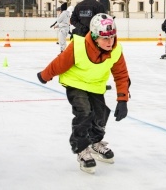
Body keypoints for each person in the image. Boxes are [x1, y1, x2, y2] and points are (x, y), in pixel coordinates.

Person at [37, 13, 130, 174]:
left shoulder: (116, 50)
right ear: (95, 37)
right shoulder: (78, 46)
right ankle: (81, 148)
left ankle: (95, 142)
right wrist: (45, 75)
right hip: (75, 83)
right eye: (105, 38)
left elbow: (121, 75)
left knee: (101, 115)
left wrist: (123, 100)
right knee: (84, 113)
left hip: (95, 85)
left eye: (112, 37)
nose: (110, 42)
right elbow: (59, 64)